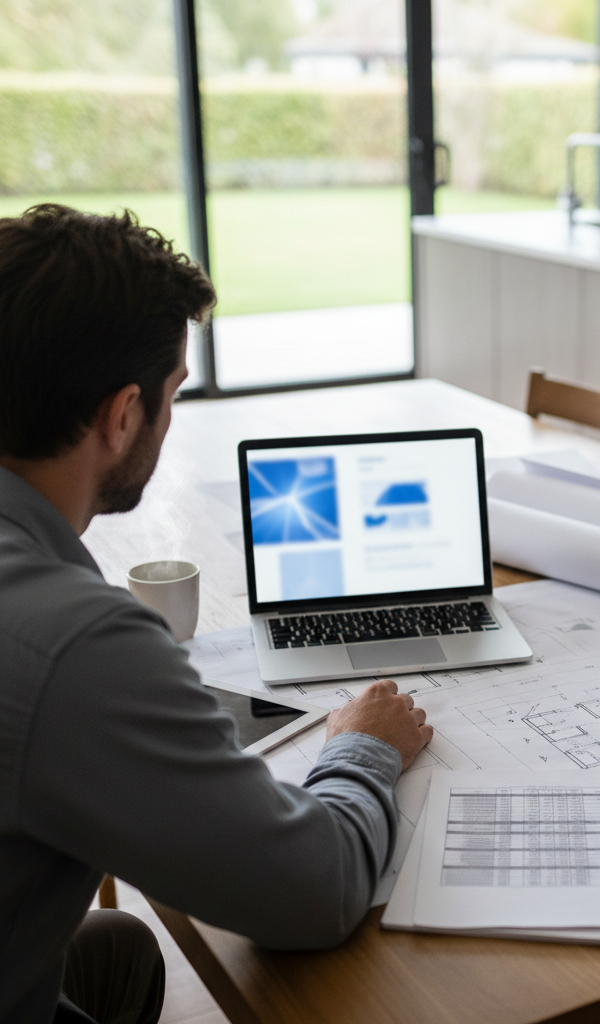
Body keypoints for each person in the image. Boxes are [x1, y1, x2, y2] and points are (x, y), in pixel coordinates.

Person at [0, 204, 433, 1024]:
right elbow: (316, 891)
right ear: (122, 413)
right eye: (172, 397)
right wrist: (363, 750)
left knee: (118, 948)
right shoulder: (75, 641)